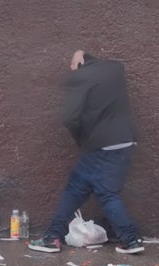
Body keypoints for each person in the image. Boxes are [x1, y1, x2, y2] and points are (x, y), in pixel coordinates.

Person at [29, 49, 143, 254]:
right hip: (125, 141)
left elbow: (69, 118)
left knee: (107, 194)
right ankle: (53, 235)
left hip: (100, 146)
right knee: (76, 187)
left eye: (73, 67)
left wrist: (81, 138)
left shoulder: (80, 78)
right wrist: (81, 53)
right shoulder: (115, 69)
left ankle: (131, 239)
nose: (72, 70)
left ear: (80, 65)